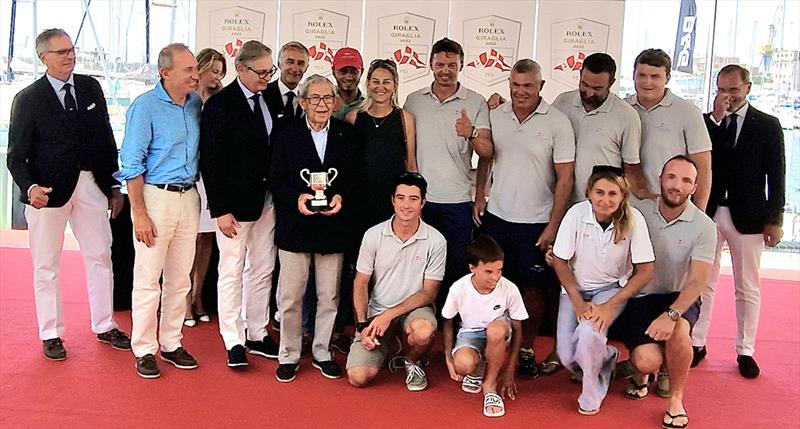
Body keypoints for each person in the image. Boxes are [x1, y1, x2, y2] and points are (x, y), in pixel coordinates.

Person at [7, 28, 130, 360]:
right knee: (46, 265)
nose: (69, 56)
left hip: (91, 185)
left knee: (101, 255)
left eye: (71, 50)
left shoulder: (91, 88)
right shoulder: (28, 99)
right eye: (61, 52)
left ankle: (105, 324)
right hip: (47, 193)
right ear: (43, 57)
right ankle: (51, 333)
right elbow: (16, 155)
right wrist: (30, 188)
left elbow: (106, 139)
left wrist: (114, 185)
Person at [475, 59, 574, 379]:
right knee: (490, 284)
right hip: (498, 217)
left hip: (536, 222)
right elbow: (486, 159)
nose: (520, 91)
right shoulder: (495, 114)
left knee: (532, 289)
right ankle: (484, 345)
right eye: (515, 85)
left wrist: (553, 225)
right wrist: (480, 196)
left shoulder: (558, 122)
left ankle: (527, 349)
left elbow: (566, 179)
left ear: (541, 86)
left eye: (528, 85)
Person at [691, 64, 785, 379]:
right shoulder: (706, 123)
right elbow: (701, 160)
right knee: (703, 281)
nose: (727, 96)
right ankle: (696, 342)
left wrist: (774, 219)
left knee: (748, 286)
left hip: (750, 216)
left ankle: (745, 350)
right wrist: (716, 118)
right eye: (721, 89)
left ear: (747, 88)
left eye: (733, 90)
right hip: (709, 211)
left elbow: (777, 176)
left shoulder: (768, 125)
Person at [116, 43, 202, 379]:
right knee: (149, 279)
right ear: (165, 73)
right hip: (155, 197)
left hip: (189, 198)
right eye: (188, 70)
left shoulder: (195, 102)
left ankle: (171, 342)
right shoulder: (145, 107)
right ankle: (144, 349)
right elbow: (132, 164)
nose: (195, 75)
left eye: (195, 68)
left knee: (180, 279)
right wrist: (139, 212)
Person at [614, 155, 716, 429]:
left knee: (680, 330)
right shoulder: (637, 211)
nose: (676, 185)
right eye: (671, 177)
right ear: (660, 179)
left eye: (686, 180)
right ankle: (644, 374)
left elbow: (698, 282)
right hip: (641, 295)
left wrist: (671, 315)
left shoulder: (704, 225)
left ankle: (676, 399)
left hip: (679, 296)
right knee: (647, 361)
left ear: (694, 187)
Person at [270, 74, 356, 382]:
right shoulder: (285, 134)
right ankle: (289, 354)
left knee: (329, 296)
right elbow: (275, 179)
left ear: (335, 102)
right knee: (291, 297)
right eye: (316, 98)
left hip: (333, 227)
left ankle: (322, 351)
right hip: (296, 226)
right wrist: (298, 198)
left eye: (328, 98)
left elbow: (355, 179)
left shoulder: (348, 134)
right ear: (303, 102)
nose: (322, 104)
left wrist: (342, 197)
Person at [200, 40, 280, 368]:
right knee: (231, 270)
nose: (266, 77)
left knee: (263, 267)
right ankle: (233, 338)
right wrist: (219, 208)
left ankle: (258, 331)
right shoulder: (220, 105)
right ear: (241, 69)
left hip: (268, 200)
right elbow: (211, 160)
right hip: (233, 204)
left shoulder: (271, 98)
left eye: (269, 71)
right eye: (261, 72)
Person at [332, 59, 419, 354]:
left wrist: (413, 204)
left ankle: (390, 327)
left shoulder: (405, 118)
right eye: (375, 81)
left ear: (394, 85)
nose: (380, 87)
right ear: (367, 83)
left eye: (387, 81)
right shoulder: (355, 118)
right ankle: (354, 325)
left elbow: (410, 163)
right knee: (357, 268)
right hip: (359, 204)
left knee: (389, 266)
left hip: (392, 206)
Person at [551, 166, 655, 415]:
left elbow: (645, 270)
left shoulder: (634, 219)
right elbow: (559, 260)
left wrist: (611, 305)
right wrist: (576, 300)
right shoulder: (576, 214)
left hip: (610, 290)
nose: (605, 199)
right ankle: (607, 358)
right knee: (566, 356)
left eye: (612, 194)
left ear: (622, 196)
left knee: (588, 334)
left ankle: (590, 395)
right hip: (574, 291)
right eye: (599, 192)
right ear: (588, 192)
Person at [404, 37, 493, 309]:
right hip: (422, 202)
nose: (445, 70)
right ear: (430, 64)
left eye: (451, 65)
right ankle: (419, 321)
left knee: (455, 268)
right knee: (418, 268)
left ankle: (450, 324)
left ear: (461, 65)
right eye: (440, 64)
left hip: (457, 202)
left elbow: (487, 152)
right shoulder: (413, 101)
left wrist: (472, 133)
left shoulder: (476, 101)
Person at [346, 172, 445, 391]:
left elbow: (429, 294)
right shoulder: (373, 235)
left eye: (413, 199)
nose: (406, 205)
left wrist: (388, 316)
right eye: (401, 198)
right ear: (392, 200)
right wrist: (362, 325)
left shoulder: (436, 241)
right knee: (358, 377)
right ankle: (392, 344)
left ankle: (411, 361)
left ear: (423, 203)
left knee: (423, 332)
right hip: (377, 312)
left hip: (415, 310)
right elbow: (361, 282)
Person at [442, 235, 528, 418]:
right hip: (469, 333)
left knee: (495, 330)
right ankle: (477, 368)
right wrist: (448, 357)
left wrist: (511, 368)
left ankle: (489, 386)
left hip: (499, 334)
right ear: (472, 268)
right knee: (463, 365)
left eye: (499, 270)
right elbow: (448, 321)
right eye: (489, 271)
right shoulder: (458, 288)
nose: (496, 277)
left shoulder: (510, 288)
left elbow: (518, 328)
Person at [551, 53, 648, 202]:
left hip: (602, 206)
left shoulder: (627, 116)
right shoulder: (562, 102)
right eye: (584, 84)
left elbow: (631, 169)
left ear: (611, 83)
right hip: (562, 203)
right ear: (580, 74)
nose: (589, 93)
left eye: (597, 88)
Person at [626, 49, 711, 211]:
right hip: (626, 207)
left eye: (655, 76)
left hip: (671, 207)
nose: (647, 82)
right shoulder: (623, 109)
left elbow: (703, 168)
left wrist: (699, 215)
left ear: (667, 78)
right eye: (642, 75)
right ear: (633, 75)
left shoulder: (688, 112)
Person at [185, 47, 227, 327]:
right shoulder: (186, 100)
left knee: (207, 240)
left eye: (221, 71)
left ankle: (199, 296)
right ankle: (184, 300)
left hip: (211, 177)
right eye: (213, 70)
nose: (217, 76)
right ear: (199, 69)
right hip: (188, 177)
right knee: (190, 240)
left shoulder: (221, 101)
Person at [265, 41, 309, 127]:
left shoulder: (309, 97)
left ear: (306, 67)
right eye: (290, 62)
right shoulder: (262, 93)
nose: (295, 68)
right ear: (279, 64)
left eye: (301, 63)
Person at [331, 47, 365, 120]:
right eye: (343, 71)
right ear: (333, 71)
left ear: (362, 72)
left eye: (354, 71)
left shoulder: (368, 106)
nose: (348, 77)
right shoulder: (321, 103)